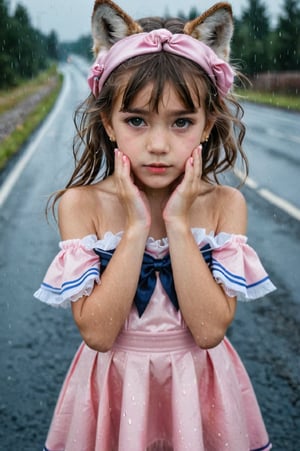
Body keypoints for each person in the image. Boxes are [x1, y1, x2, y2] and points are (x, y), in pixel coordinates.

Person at [34, 0, 276, 449]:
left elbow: (207, 332)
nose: (159, 144)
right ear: (108, 121)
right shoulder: (81, 204)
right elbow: (100, 334)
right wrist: (137, 225)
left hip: (200, 390)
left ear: (208, 125)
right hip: (115, 389)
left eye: (182, 121)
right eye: (136, 121)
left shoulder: (225, 205)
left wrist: (179, 223)